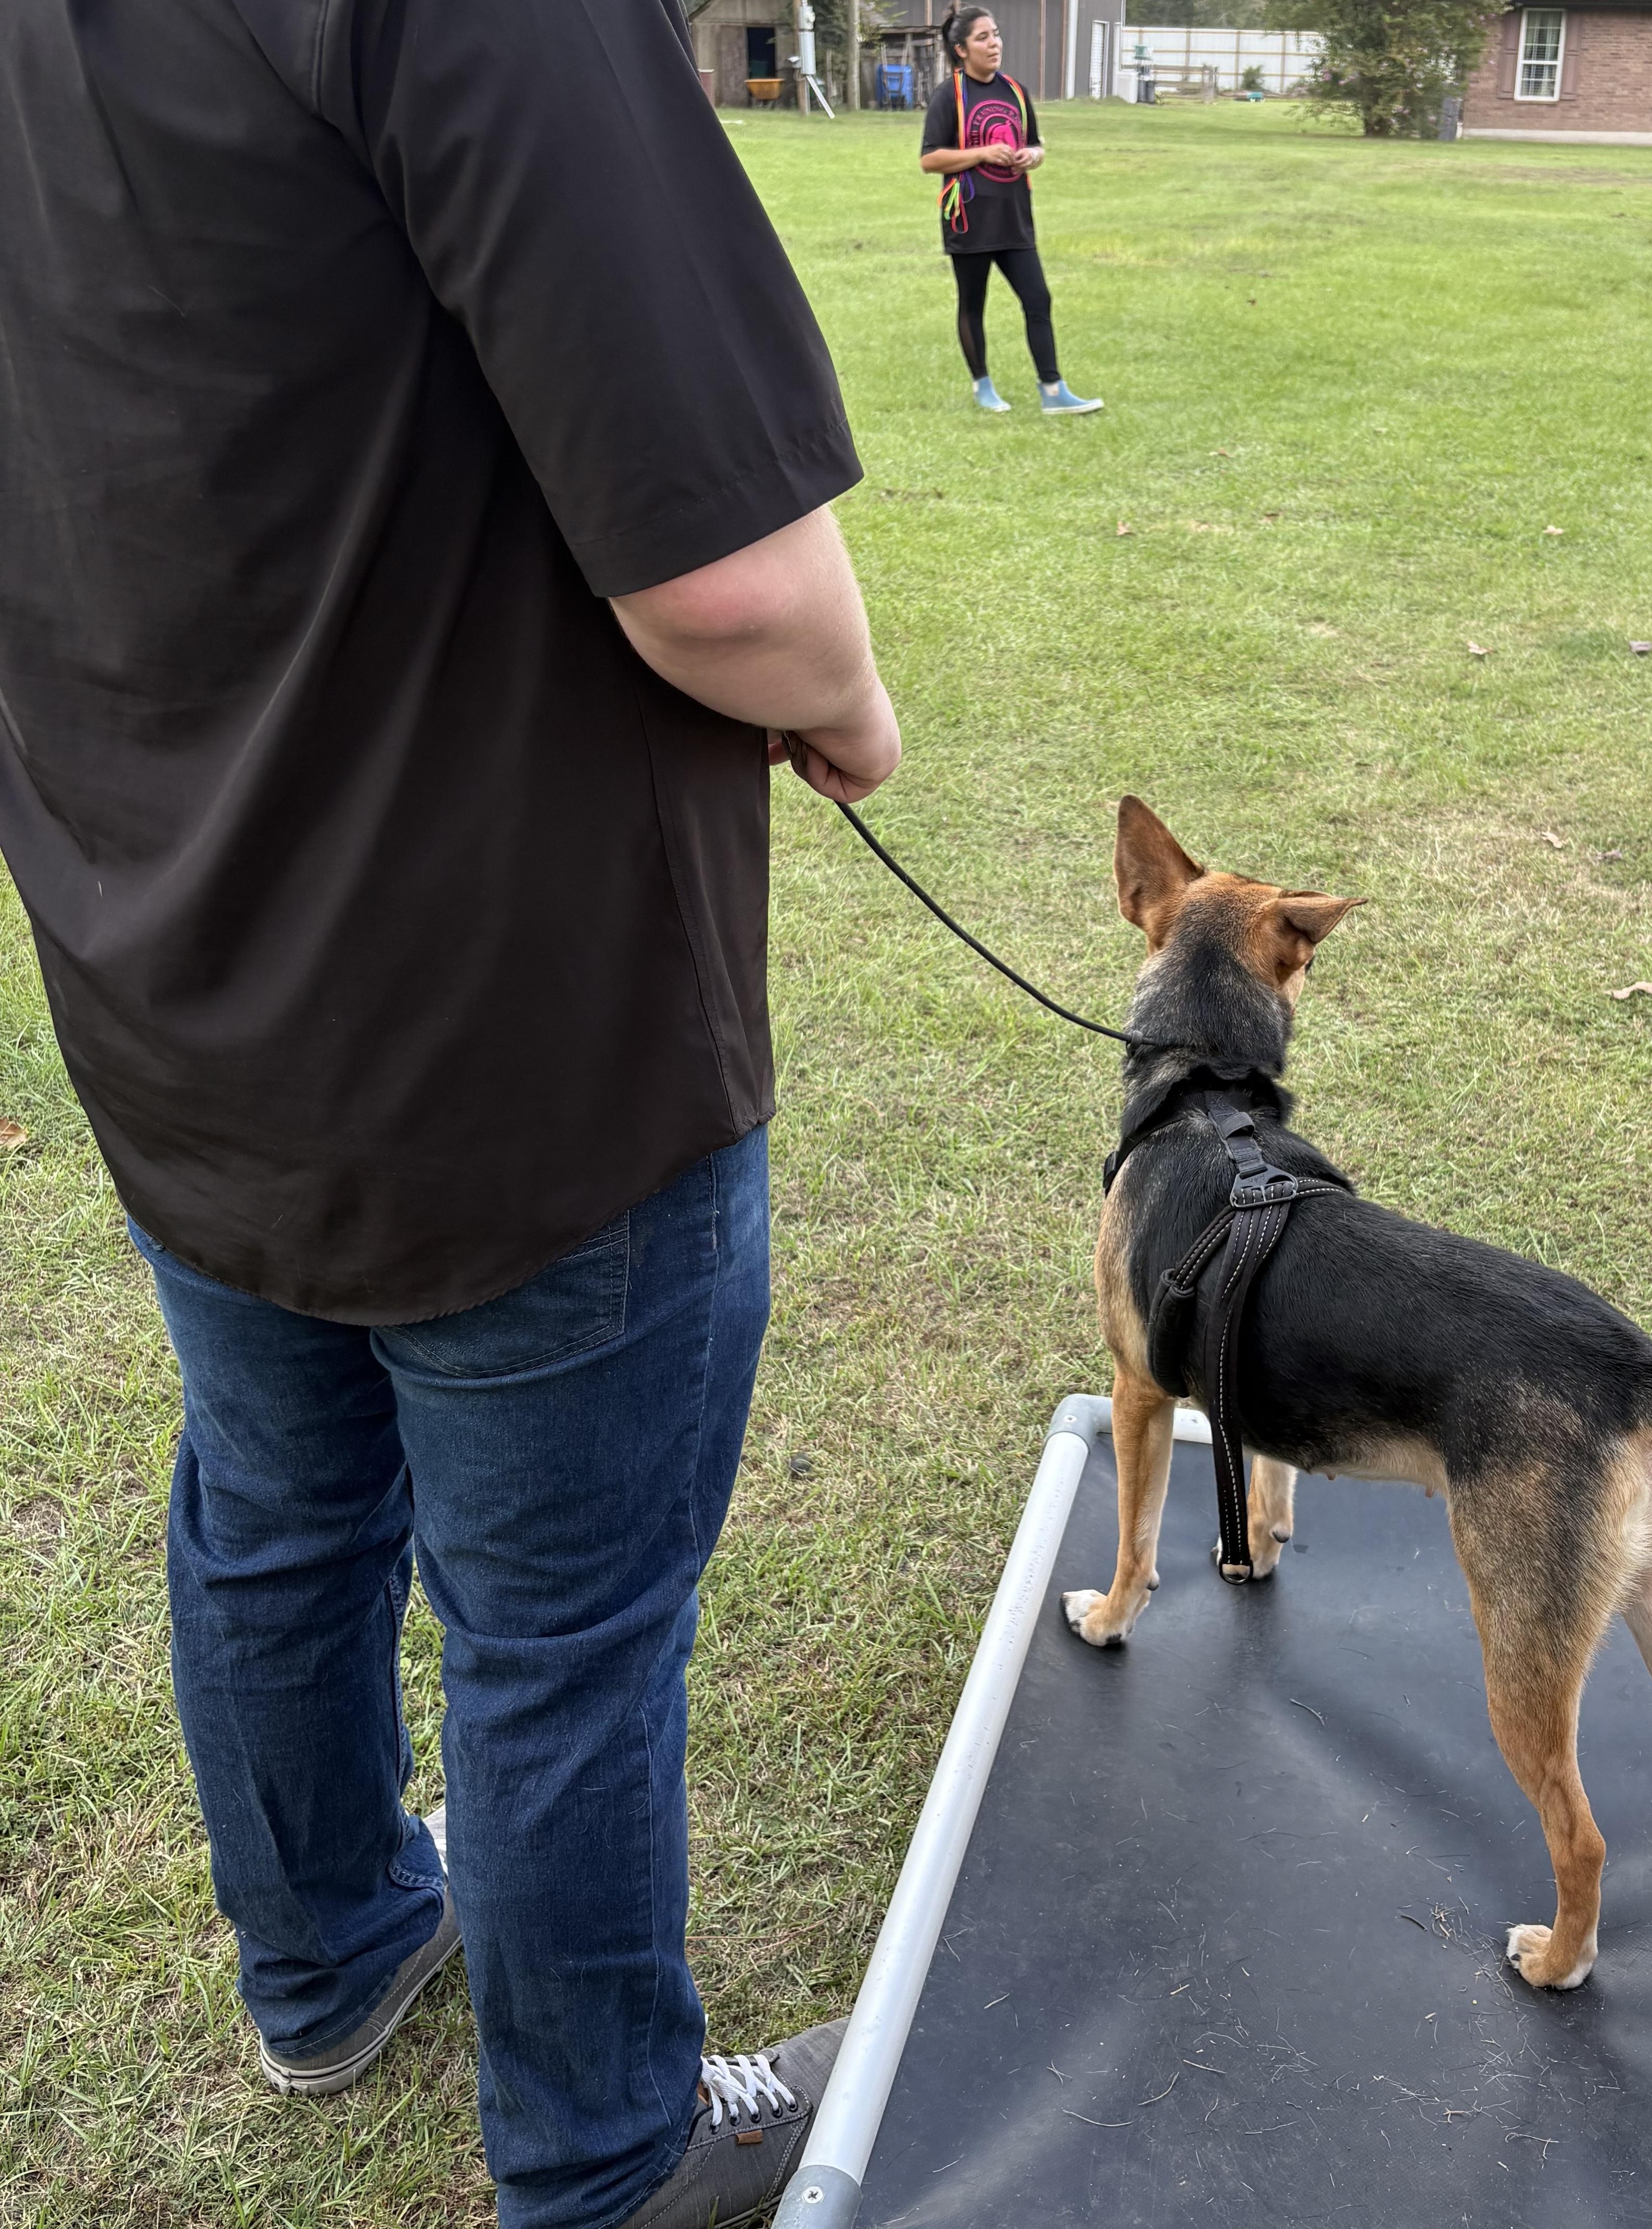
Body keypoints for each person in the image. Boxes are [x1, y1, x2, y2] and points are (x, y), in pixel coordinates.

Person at [0, 4, 901, 2227]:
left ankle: (323, 1946)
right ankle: (604, 2152)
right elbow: (735, 581)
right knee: (558, 1628)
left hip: (167, 971)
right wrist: (853, 708)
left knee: (275, 1506)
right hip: (514, 1040)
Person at [919, 8, 1103, 416]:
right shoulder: (950, 95)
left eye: (996, 35)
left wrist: (1033, 156)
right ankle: (982, 385)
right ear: (962, 50)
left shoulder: (1015, 92)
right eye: (983, 38)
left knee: (1038, 298)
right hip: (969, 219)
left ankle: (1053, 390)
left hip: (1014, 218)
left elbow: (1037, 143)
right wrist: (982, 152)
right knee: (973, 303)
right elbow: (929, 160)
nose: (995, 44)